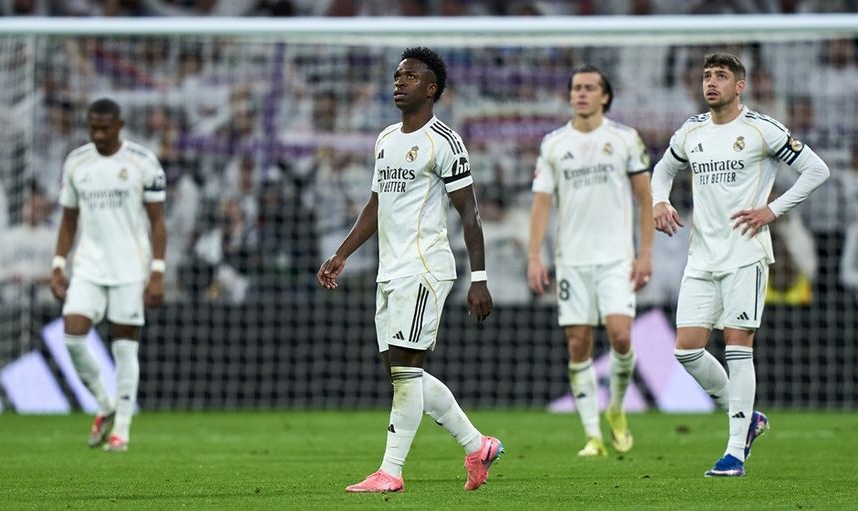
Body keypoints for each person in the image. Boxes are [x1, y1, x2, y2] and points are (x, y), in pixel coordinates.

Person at [317, 47, 501, 493]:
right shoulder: (385, 139)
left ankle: (391, 472)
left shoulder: (445, 141)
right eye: (398, 76)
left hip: (425, 267)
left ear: (432, 88)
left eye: (411, 77)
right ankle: (478, 446)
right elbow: (376, 204)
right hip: (389, 270)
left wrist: (479, 278)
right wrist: (343, 253)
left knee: (404, 370)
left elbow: (470, 213)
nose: (400, 82)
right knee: (400, 372)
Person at [651, 52, 830, 477]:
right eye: (707, 75)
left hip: (746, 254)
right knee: (686, 350)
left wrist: (773, 210)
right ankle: (748, 418)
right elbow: (662, 169)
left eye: (721, 76)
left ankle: (734, 453)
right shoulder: (691, 130)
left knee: (737, 346)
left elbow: (816, 169)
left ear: (739, 85)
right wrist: (660, 200)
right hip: (702, 256)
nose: (711, 82)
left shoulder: (761, 129)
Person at [526, 64, 654, 458]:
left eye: (590, 87)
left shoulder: (625, 139)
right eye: (576, 88)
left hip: (617, 257)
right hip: (572, 260)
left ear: (605, 96)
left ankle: (616, 406)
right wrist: (534, 255)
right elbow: (542, 204)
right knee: (578, 342)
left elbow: (645, 199)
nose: (581, 93)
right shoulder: (553, 144)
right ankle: (593, 436)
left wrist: (645, 252)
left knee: (621, 336)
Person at [51, 98, 167, 452]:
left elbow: (158, 222)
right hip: (88, 265)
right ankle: (105, 403)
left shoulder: (143, 162)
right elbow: (68, 220)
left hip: (130, 267)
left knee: (124, 347)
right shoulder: (76, 162)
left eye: (105, 128)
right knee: (72, 337)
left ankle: (122, 430)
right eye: (93, 128)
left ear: (120, 126)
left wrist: (157, 271)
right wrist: (58, 263)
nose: (99, 134)